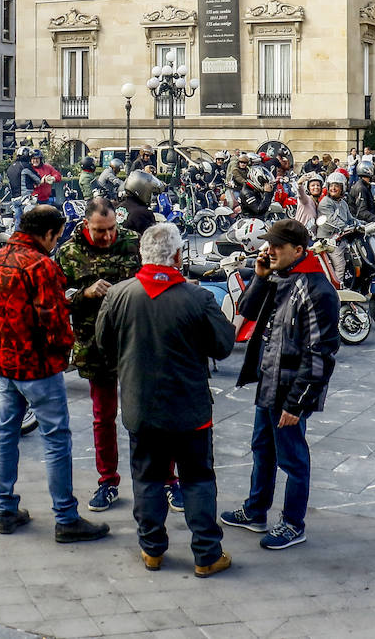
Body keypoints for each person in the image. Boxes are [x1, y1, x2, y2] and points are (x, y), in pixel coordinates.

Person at [97, 223, 235, 575]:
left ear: (143, 254)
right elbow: (222, 345)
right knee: (198, 479)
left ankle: (152, 549)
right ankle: (206, 554)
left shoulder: (119, 295)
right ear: (177, 256)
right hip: (189, 408)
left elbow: (103, 344)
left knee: (147, 479)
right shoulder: (198, 297)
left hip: (141, 405)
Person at [0, 204, 109, 544]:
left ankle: (5, 508)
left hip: (5, 364)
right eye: (56, 237)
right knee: (56, 440)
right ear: (48, 234)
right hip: (38, 367)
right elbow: (53, 322)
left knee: (6, 436)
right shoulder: (41, 266)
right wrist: (63, 350)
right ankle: (65, 516)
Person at [222, 219, 340, 550]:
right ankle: (256, 510)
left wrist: (298, 402)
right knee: (262, 448)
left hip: (289, 390)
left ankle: (292, 523)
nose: (269, 250)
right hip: (269, 382)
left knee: (293, 459)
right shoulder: (281, 277)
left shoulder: (317, 289)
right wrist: (260, 278)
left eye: (277, 246)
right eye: (268, 244)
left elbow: (321, 354)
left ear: (299, 250)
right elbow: (245, 311)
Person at [57, 197, 143, 513]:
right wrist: (85, 293)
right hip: (95, 345)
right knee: (103, 416)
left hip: (135, 342)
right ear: (86, 225)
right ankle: (108, 481)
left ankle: (166, 480)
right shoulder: (68, 252)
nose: (107, 237)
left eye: (111, 229)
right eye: (99, 230)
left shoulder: (134, 243)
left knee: (148, 414)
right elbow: (57, 295)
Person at [117, 169, 163, 235]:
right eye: (150, 193)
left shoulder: (119, 207)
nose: (151, 196)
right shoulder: (143, 213)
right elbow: (153, 239)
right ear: (143, 190)